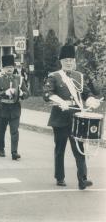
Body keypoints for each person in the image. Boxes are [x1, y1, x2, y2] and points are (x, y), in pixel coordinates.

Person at [43, 45, 101, 190]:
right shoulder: (54, 76)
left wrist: (91, 101)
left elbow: (86, 93)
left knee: (79, 150)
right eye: (66, 60)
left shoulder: (79, 76)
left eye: (71, 60)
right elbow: (47, 94)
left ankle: (83, 179)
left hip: (77, 119)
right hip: (60, 119)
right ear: (61, 61)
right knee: (60, 149)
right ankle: (60, 177)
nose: (69, 63)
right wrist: (60, 101)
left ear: (74, 61)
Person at [0, 55, 29, 160]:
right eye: (7, 67)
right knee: (1, 131)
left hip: (15, 108)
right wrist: (4, 92)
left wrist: (22, 93)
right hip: (2, 108)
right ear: (3, 68)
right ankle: (1, 149)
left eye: (11, 67)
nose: (9, 69)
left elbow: (28, 93)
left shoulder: (19, 79)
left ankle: (14, 152)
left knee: (14, 131)